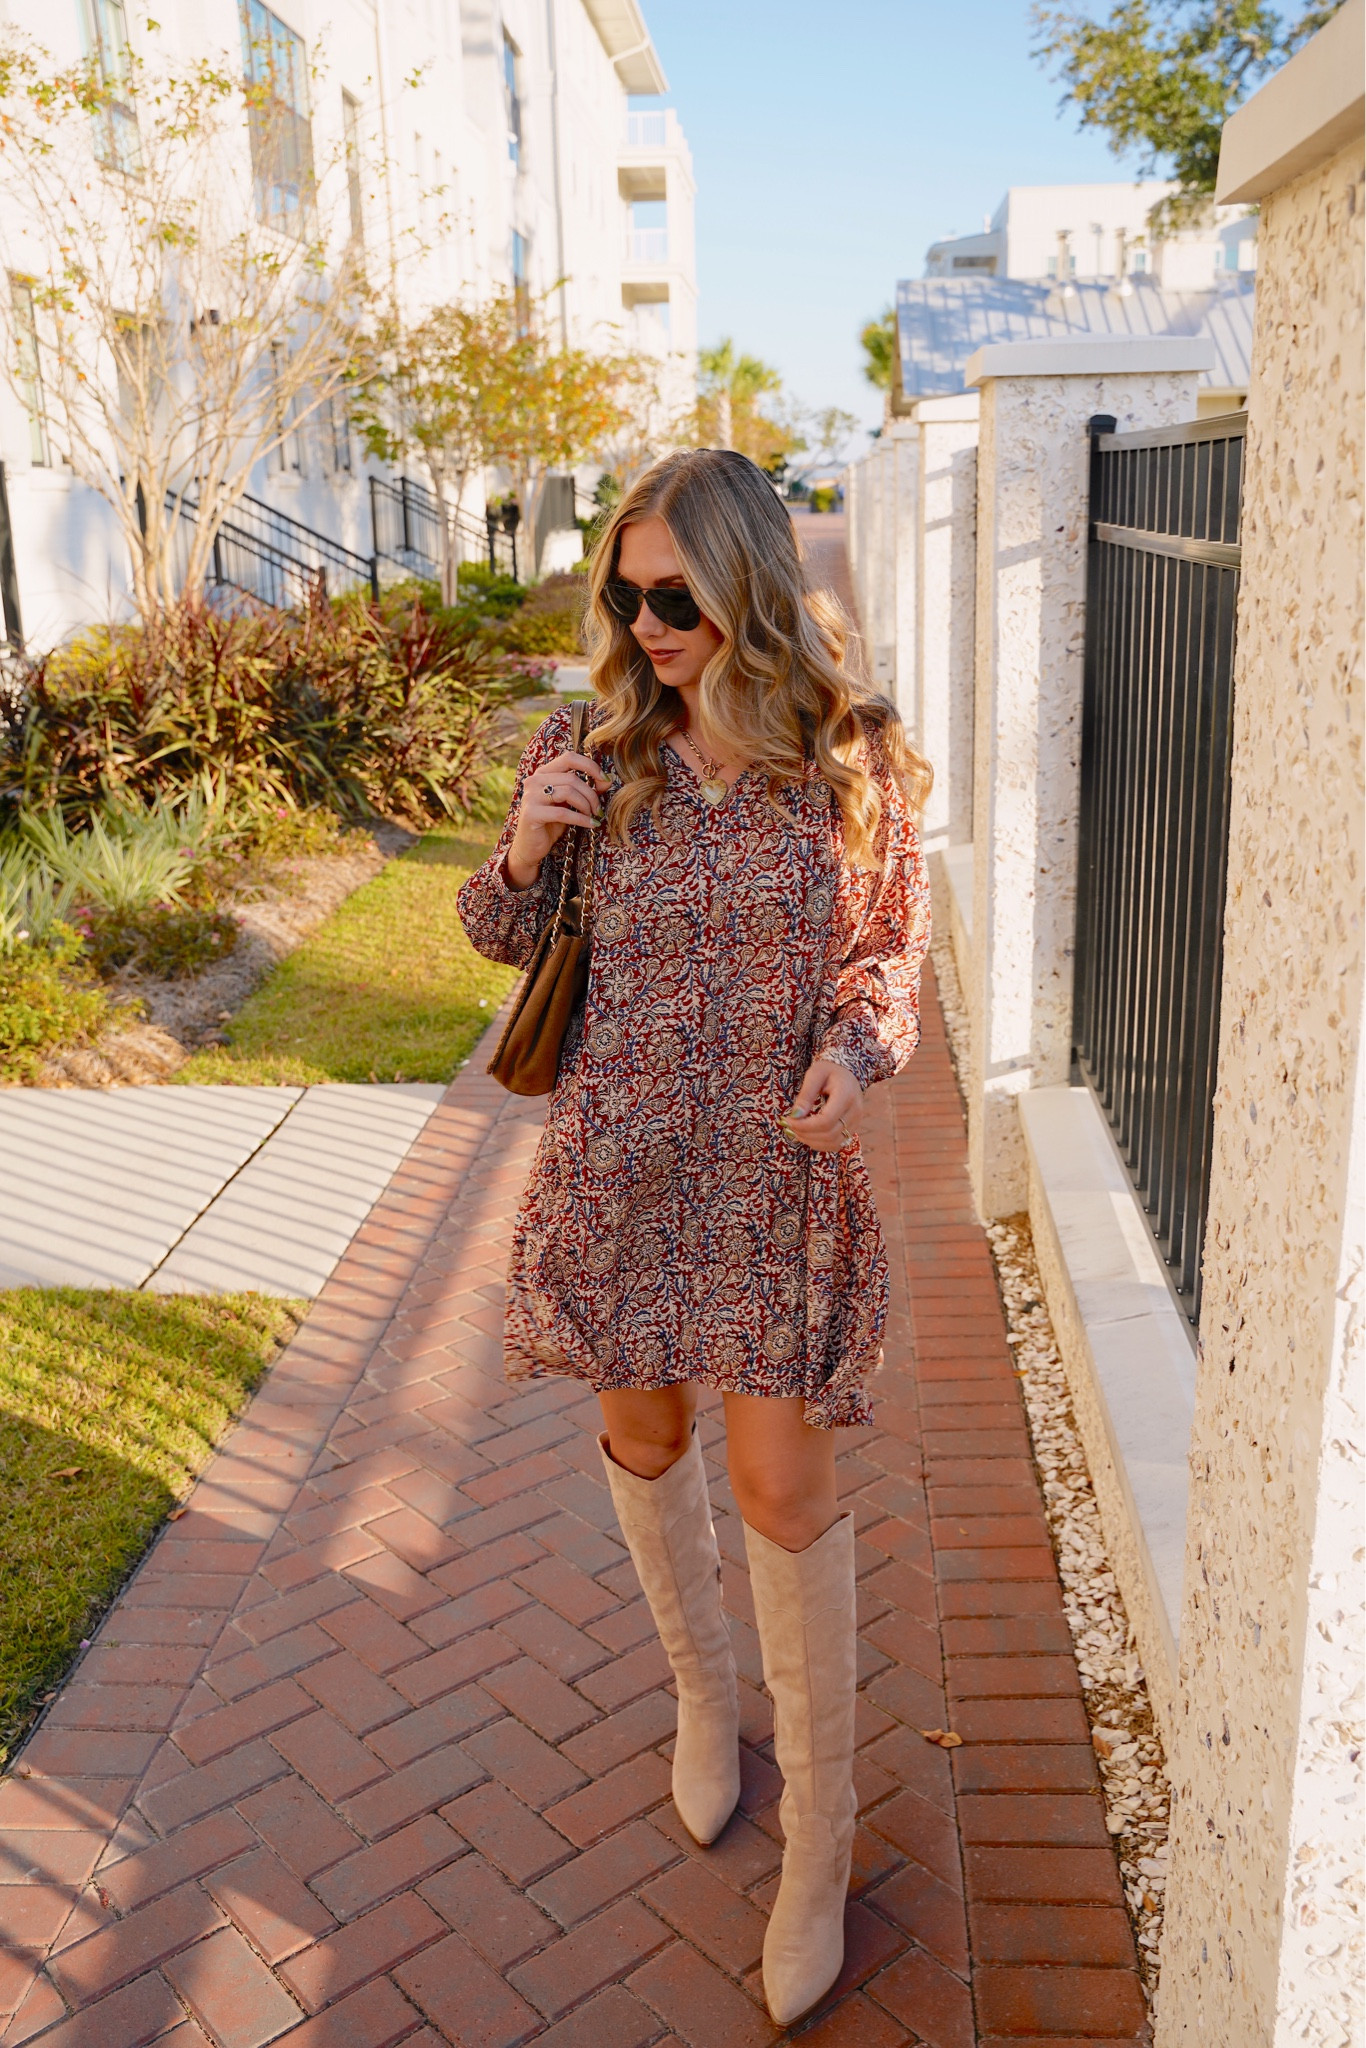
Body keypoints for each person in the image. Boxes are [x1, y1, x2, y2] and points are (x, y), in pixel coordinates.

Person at [458, 448, 931, 2026]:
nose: (643, 624)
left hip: (775, 1179)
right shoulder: (590, 745)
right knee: (645, 1441)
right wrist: (523, 848)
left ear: (744, 589)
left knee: (784, 1487)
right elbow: (506, 938)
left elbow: (885, 957)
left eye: (674, 597)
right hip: (619, 1168)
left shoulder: (853, 758)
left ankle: (818, 1847)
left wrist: (849, 1056)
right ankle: (696, 1698)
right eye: (623, 592)